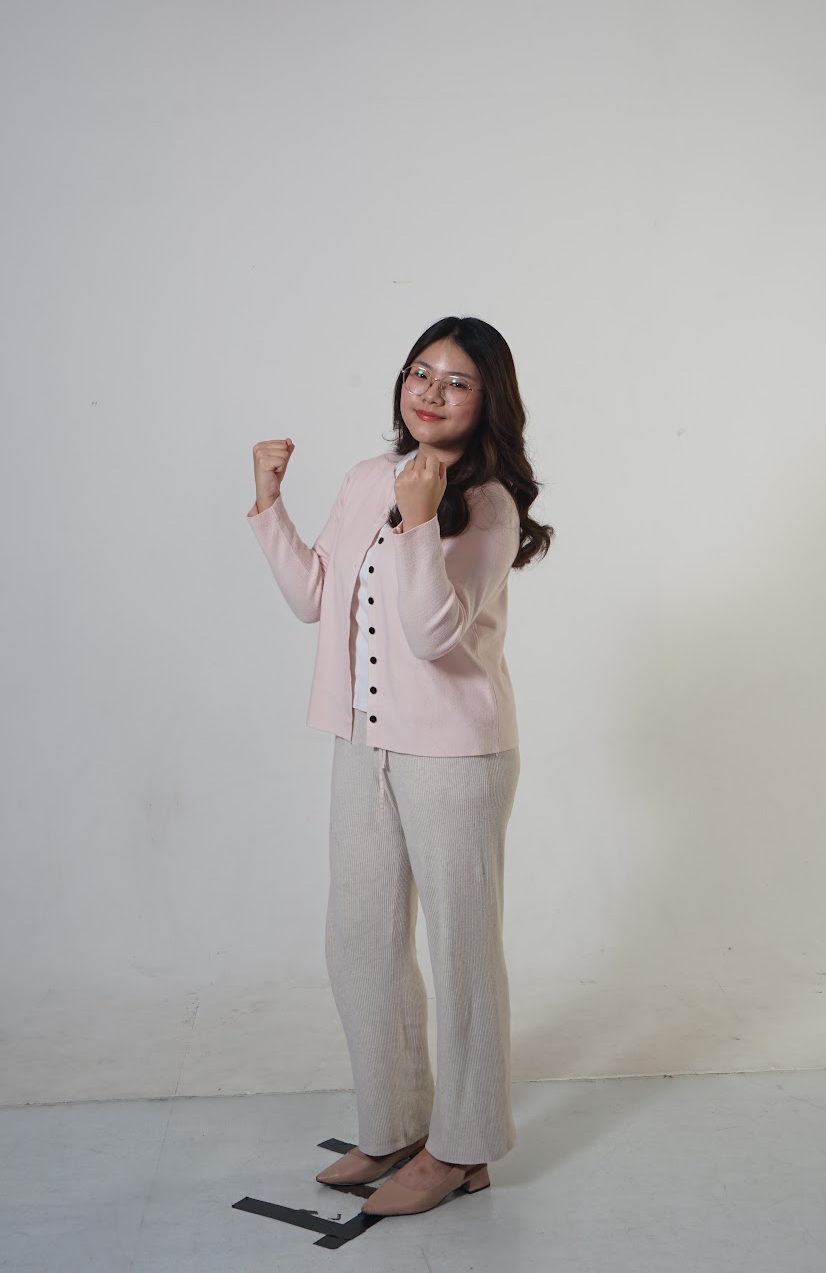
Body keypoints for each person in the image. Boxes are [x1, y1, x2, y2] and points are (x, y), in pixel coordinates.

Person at [246, 315, 553, 1217]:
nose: (430, 393)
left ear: (488, 400)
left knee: (461, 953)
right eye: (420, 373)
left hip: (457, 756)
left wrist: (421, 521)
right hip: (360, 740)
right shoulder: (364, 479)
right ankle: (394, 1123)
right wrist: (269, 504)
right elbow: (313, 597)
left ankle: (464, 1149)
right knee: (359, 941)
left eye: (456, 381)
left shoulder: (489, 503)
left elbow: (430, 635)